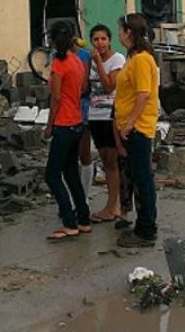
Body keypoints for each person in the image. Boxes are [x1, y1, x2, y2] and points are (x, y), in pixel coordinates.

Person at [114, 14, 160, 248]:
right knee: (140, 176)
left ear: (128, 32)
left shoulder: (142, 59)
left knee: (143, 179)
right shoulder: (135, 58)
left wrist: (130, 122)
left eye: (120, 30)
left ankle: (146, 229)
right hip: (132, 126)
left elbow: (144, 94)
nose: (118, 35)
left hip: (139, 128)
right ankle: (144, 225)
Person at [44, 21, 91, 241]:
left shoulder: (58, 64)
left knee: (52, 175)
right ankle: (83, 218)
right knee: (71, 172)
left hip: (63, 122)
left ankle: (69, 222)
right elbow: (81, 89)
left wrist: (49, 125)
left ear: (53, 40)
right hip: (77, 121)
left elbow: (56, 97)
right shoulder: (77, 61)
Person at [85, 24, 127, 223]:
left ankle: (114, 206)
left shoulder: (117, 59)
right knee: (106, 161)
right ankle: (113, 205)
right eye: (95, 39)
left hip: (110, 116)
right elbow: (87, 87)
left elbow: (110, 87)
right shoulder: (92, 61)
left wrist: (98, 63)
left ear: (109, 40)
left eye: (103, 39)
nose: (100, 43)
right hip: (94, 116)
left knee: (112, 163)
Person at [72, 36, 94, 207]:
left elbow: (84, 85)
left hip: (82, 107)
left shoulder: (84, 56)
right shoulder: (58, 58)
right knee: (69, 156)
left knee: (84, 153)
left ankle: (83, 197)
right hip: (68, 109)